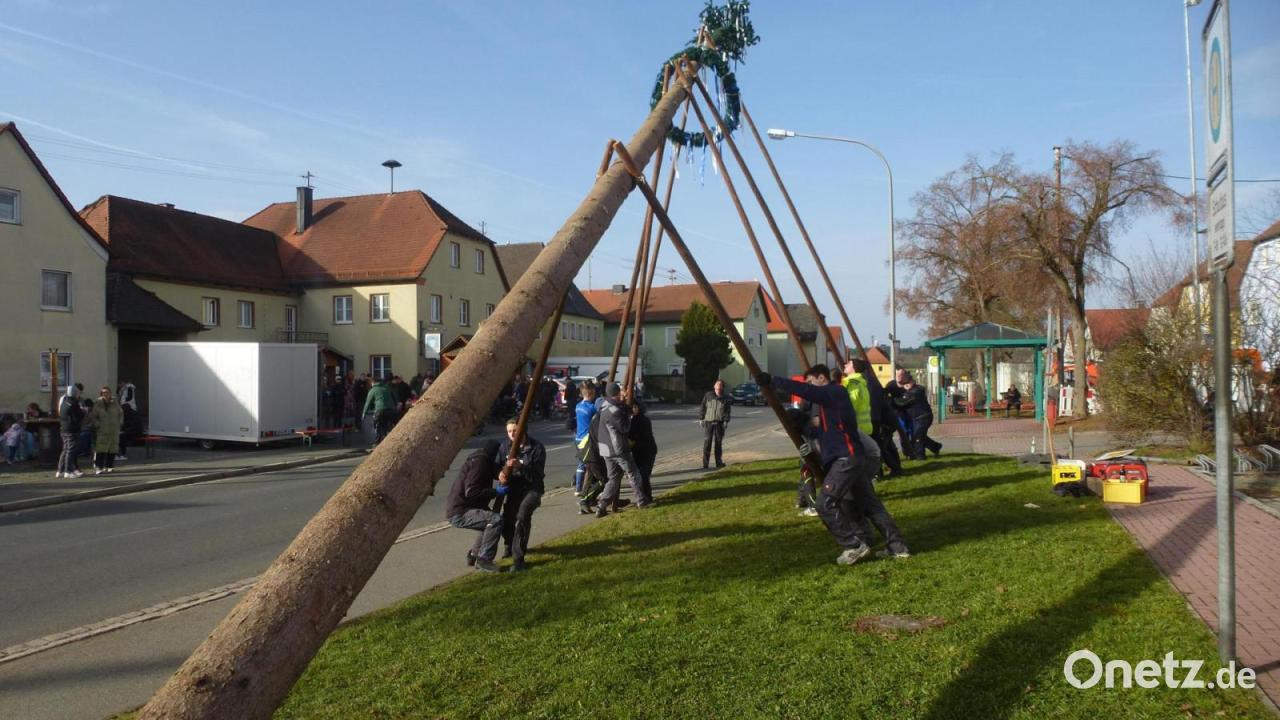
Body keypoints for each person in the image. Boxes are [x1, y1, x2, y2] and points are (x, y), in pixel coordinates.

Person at [758, 365, 910, 564]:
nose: (810, 387)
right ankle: (897, 547)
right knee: (871, 505)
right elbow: (823, 433)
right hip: (851, 457)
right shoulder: (829, 406)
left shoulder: (833, 392)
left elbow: (806, 391)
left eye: (811, 381)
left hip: (845, 459)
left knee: (824, 504)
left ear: (822, 378)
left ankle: (853, 545)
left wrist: (773, 380)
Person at [445, 438, 503, 573]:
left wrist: (500, 473)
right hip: (461, 511)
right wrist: (496, 492)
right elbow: (471, 492)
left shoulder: (480, 460)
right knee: (495, 520)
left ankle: (474, 555)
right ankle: (484, 560)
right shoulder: (480, 463)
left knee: (487, 524)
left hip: (460, 508)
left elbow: (491, 470)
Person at [496, 420, 546, 572]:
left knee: (523, 515)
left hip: (532, 488)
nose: (512, 434)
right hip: (514, 488)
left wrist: (521, 466)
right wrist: (499, 473)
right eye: (509, 431)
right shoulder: (505, 446)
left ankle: (519, 558)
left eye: (515, 430)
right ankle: (509, 545)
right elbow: (497, 465)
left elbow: (537, 475)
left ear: (523, 430)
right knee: (508, 517)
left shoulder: (536, 448)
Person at [596, 382, 651, 516]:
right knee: (633, 473)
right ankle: (641, 500)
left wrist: (625, 404)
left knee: (613, 478)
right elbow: (625, 428)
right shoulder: (614, 411)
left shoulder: (603, 406)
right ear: (616, 392)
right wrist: (631, 416)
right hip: (618, 449)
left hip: (605, 449)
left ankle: (602, 506)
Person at [893, 372, 941, 460]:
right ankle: (935, 447)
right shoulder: (913, 390)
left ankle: (920, 456)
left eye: (907, 384)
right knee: (919, 435)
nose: (905, 386)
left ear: (912, 382)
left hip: (923, 417)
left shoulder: (915, 392)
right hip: (918, 417)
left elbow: (902, 402)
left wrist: (892, 400)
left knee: (917, 436)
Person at [86, 386, 123, 475]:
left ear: (110, 393)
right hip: (102, 429)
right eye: (103, 393)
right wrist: (97, 424)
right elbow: (93, 416)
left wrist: (120, 423)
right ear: (101, 394)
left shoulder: (114, 402)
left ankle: (109, 466)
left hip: (113, 429)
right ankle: (99, 467)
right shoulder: (98, 403)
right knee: (101, 449)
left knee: (112, 448)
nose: (106, 394)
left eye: (107, 392)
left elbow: (120, 413)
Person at [628, 401, 657, 504]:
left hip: (647, 451)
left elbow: (642, 437)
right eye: (632, 407)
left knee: (644, 475)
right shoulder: (630, 420)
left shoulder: (642, 420)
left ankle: (647, 497)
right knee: (640, 476)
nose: (633, 409)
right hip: (637, 451)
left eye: (635, 407)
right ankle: (645, 497)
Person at [699, 378, 732, 469]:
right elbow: (703, 407)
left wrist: (726, 421)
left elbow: (727, 411)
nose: (718, 386)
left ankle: (718, 462)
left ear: (722, 387)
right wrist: (701, 418)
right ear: (714, 386)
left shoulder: (725, 398)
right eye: (717, 385)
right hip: (709, 422)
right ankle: (705, 464)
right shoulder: (708, 395)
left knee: (718, 443)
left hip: (719, 423)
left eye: (720, 385)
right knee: (707, 442)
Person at [573, 382, 598, 495]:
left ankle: (578, 487)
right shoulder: (592, 408)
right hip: (587, 439)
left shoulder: (577, 406)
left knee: (581, 463)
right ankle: (582, 488)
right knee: (590, 463)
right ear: (592, 393)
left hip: (578, 437)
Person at [56, 385, 85, 478]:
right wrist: (83, 412)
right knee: (71, 450)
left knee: (65, 449)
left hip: (63, 429)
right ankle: (68, 471)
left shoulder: (64, 401)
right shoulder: (73, 403)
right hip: (72, 429)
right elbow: (77, 417)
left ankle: (60, 470)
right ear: (75, 393)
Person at [361, 376, 397, 445]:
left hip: (380, 410)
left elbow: (367, 403)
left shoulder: (373, 390)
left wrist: (364, 413)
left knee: (377, 426)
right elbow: (394, 397)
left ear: (373, 383)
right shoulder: (387, 387)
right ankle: (391, 442)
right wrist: (395, 406)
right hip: (391, 410)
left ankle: (377, 443)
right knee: (388, 426)